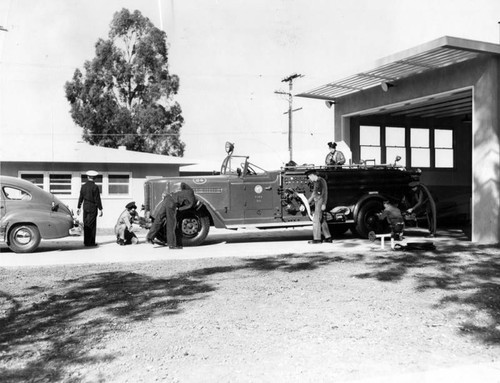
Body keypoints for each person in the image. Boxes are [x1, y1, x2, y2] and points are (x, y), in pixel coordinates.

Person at [146, 183, 197, 249]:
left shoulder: (189, 190)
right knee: (171, 224)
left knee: (159, 219)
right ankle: (172, 244)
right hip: (172, 203)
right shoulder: (192, 200)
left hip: (167, 199)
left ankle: (149, 237)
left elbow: (183, 184)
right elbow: (189, 206)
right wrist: (179, 209)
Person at [305, 169, 332, 244]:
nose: (309, 179)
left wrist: (324, 204)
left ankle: (317, 239)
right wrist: (308, 202)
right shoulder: (317, 182)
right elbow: (314, 193)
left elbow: (325, 193)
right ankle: (328, 237)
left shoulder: (321, 181)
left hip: (320, 201)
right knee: (322, 220)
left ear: (312, 175)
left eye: (309, 177)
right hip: (318, 201)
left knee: (316, 220)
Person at [77, 170, 103, 247]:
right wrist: (100, 209)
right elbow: (97, 199)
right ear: (94, 178)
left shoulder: (83, 186)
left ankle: (86, 241)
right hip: (92, 207)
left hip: (85, 206)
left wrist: (78, 207)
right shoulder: (95, 187)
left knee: (86, 224)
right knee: (92, 225)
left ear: (88, 177)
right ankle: (91, 242)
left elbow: (80, 198)